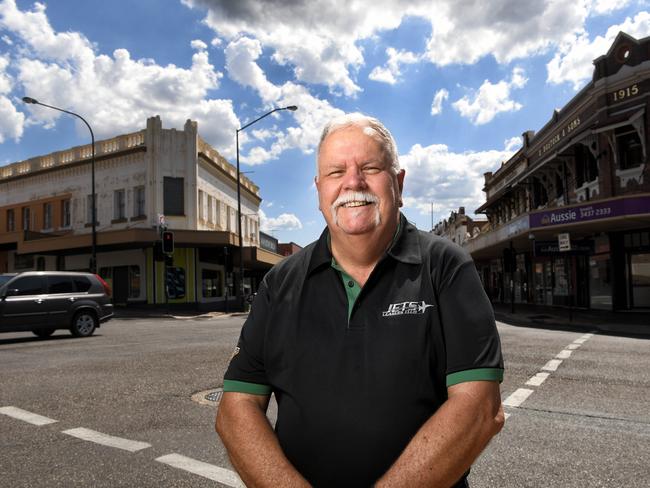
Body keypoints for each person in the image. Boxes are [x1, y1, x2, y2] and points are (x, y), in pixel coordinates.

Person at [216, 113, 504, 488]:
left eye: (370, 167)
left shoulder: (447, 267)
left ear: (398, 184)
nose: (353, 182)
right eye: (336, 172)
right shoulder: (279, 283)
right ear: (319, 190)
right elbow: (236, 407)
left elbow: (480, 408)